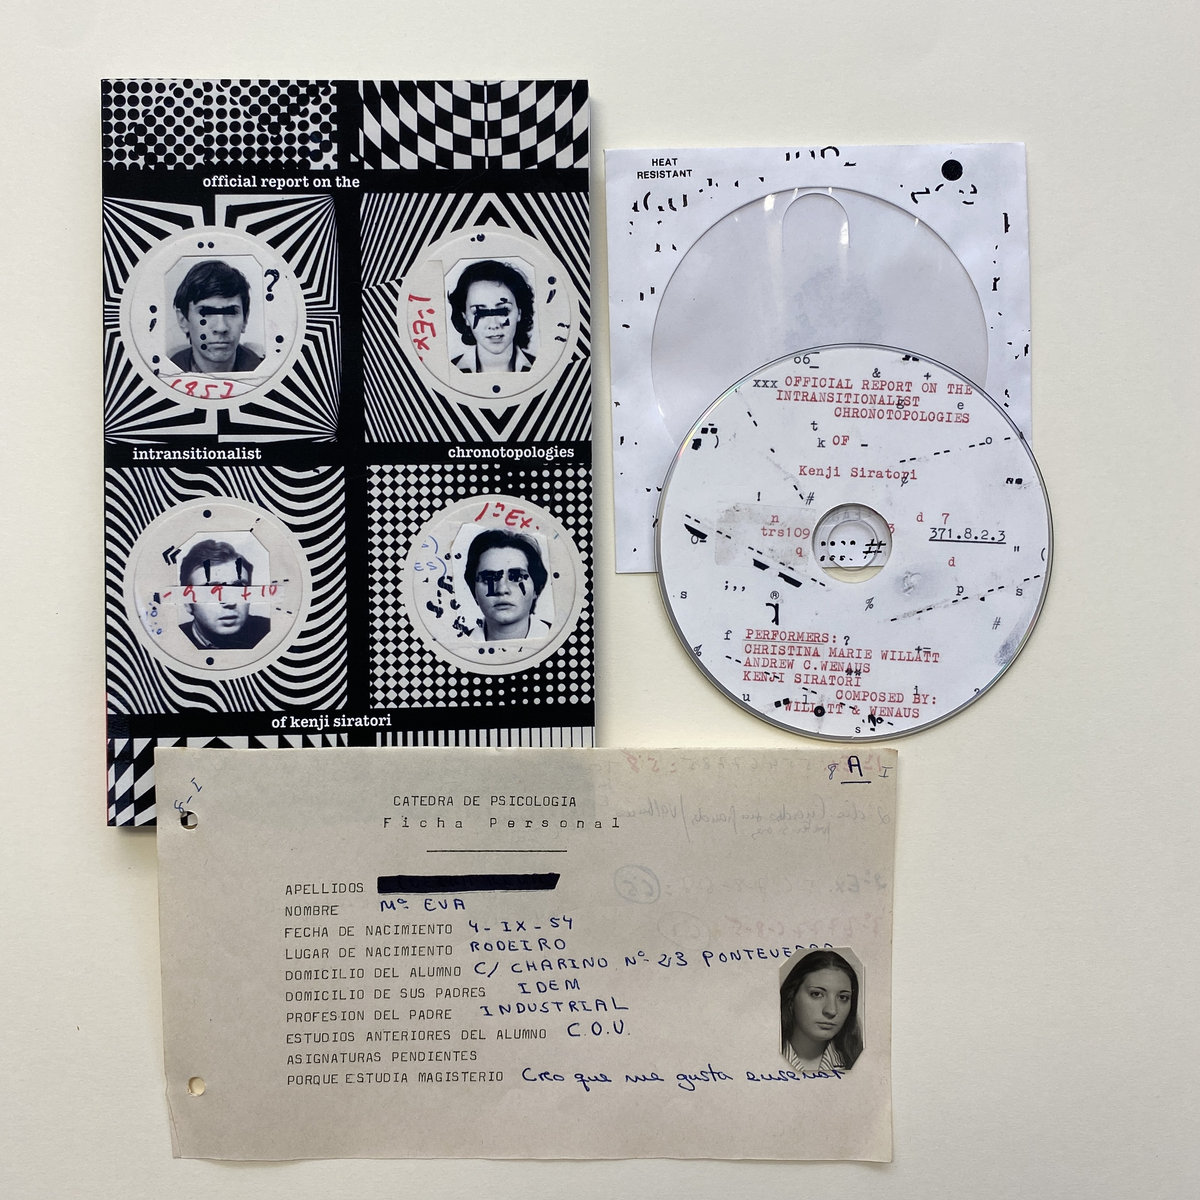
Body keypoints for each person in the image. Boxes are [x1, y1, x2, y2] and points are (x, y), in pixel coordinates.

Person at [170, 260, 264, 374]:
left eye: (231, 312)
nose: (221, 327)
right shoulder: (162, 374)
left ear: (245, 320)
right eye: (206, 312)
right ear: (183, 320)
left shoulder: (268, 373)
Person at [177, 539, 270, 650]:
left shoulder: (272, 630)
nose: (230, 602)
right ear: (187, 603)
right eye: (211, 590)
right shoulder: (171, 640)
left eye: (239, 587)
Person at [779, 949, 863, 1073]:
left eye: (843, 997)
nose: (831, 1010)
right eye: (817, 994)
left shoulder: (861, 1061)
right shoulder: (760, 1055)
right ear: (791, 997)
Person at [447, 260, 537, 373]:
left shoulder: (541, 368)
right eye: (480, 313)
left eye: (503, 311)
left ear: (519, 313)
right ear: (465, 317)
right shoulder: (448, 372)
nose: (493, 325)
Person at [463, 528, 551, 642]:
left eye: (517, 578)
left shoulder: (560, 636)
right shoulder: (457, 645)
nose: (502, 589)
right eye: (488, 579)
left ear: (536, 588)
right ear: (474, 590)